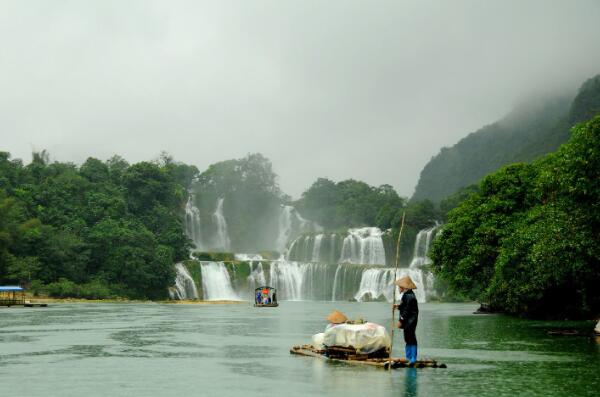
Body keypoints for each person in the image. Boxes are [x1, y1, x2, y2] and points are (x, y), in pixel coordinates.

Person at [393, 276, 419, 365]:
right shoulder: (407, 295)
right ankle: (409, 357)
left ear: (404, 287)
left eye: (399, 287)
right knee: (408, 338)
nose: (398, 288)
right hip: (410, 320)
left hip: (410, 320)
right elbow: (405, 307)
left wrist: (401, 320)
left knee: (410, 338)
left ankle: (412, 358)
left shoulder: (409, 296)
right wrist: (398, 307)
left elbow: (407, 310)